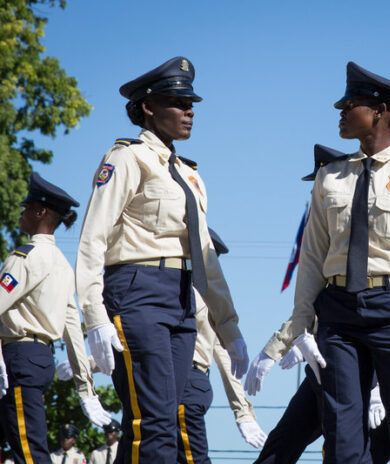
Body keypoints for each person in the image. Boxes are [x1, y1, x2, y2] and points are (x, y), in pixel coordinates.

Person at [253, 62, 390, 463]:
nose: (340, 112)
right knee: (343, 436)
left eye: (350, 104)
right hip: (339, 313)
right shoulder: (330, 176)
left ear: (378, 111)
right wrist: (302, 326)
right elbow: (311, 258)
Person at [75, 56, 248, 464]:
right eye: (177, 101)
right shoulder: (126, 158)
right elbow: (92, 239)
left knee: (166, 423)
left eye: (192, 104)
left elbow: (207, 260)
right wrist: (94, 316)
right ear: (148, 107)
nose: (189, 111)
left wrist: (229, 326)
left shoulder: (189, 174)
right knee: (151, 421)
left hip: (183, 299)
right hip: (136, 293)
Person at [0, 173, 111, 464]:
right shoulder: (62, 265)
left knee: (29, 453)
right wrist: (85, 387)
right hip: (39, 358)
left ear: (40, 212)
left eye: (27, 208)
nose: (22, 214)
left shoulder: (25, 257)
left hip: (19, 356)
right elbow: (73, 330)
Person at [177, 228, 266, 463]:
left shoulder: (202, 297)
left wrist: (243, 413)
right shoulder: (170, 286)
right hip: (168, 383)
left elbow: (227, 358)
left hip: (190, 381)